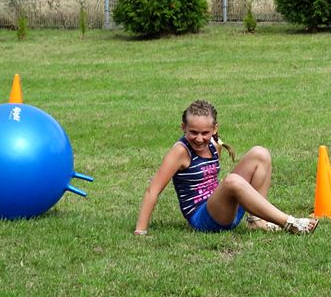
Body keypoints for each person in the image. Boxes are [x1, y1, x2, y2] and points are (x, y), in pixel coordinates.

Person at [134, 100, 318, 236]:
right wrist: (140, 231)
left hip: (223, 210)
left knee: (260, 154)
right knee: (231, 181)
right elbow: (153, 190)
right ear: (183, 127)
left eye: (205, 133)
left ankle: (257, 220)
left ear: (214, 129)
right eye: (193, 132)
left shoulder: (215, 145)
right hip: (203, 218)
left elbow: (211, 179)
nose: (199, 138)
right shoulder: (180, 152)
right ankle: (289, 223)